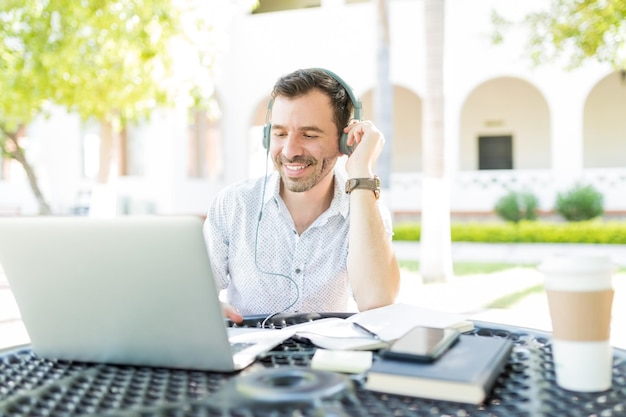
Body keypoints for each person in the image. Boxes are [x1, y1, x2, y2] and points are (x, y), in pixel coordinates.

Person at [204, 68, 400, 323]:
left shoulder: (366, 211)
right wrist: (205, 308)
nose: (290, 150)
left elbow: (378, 302)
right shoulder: (233, 205)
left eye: (309, 135)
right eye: (280, 133)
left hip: (323, 360)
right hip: (249, 357)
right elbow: (194, 293)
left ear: (346, 142)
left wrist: (362, 170)